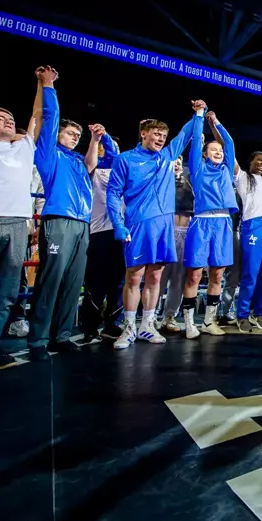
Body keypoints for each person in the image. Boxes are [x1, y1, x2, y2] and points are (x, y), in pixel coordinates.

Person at [106, 100, 203, 349]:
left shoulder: (167, 156)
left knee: (156, 276)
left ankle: (147, 326)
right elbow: (113, 193)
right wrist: (118, 224)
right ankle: (128, 328)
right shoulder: (125, 159)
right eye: (156, 134)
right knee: (134, 276)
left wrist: (199, 114)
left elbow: (186, 135)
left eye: (163, 135)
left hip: (163, 225)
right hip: (138, 224)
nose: (160, 138)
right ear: (143, 133)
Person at [28, 73, 103, 358]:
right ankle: (37, 340)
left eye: (78, 135)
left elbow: (90, 164)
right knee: (50, 280)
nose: (75, 138)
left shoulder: (75, 160)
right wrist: (49, 87)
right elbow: (49, 116)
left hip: (82, 224)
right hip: (57, 220)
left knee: (73, 281)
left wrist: (94, 139)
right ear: (57, 133)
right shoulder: (48, 153)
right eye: (70, 133)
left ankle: (60, 336)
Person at [0, 67, 43, 370]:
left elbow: (38, 113)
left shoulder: (23, 147)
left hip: (17, 223)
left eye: (10, 119)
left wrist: (42, 84)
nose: (7, 121)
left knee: (7, 290)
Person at [180, 109, 238, 338]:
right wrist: (200, 116)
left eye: (220, 151)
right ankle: (188, 322)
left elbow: (229, 142)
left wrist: (216, 122)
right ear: (204, 155)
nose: (218, 152)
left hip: (224, 223)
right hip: (202, 222)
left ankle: (209, 321)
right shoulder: (198, 169)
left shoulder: (227, 170)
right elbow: (195, 145)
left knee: (217, 275)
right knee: (194, 275)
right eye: (213, 150)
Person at [80, 131, 123, 343]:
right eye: (106, 146)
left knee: (118, 283)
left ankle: (113, 324)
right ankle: (89, 325)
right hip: (98, 232)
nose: (109, 150)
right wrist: (101, 139)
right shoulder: (92, 169)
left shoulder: (125, 173)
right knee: (95, 283)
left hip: (122, 233)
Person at [233, 151, 262, 332]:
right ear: (250, 162)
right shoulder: (242, 177)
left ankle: (258, 313)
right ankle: (242, 315)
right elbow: (230, 153)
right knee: (251, 273)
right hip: (254, 224)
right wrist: (216, 128)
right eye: (258, 159)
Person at [157, 157, 193, 332]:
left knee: (179, 278)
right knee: (159, 277)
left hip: (185, 232)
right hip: (167, 231)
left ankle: (169, 316)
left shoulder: (189, 180)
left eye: (179, 160)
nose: (177, 163)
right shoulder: (161, 179)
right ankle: (149, 317)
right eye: (173, 160)